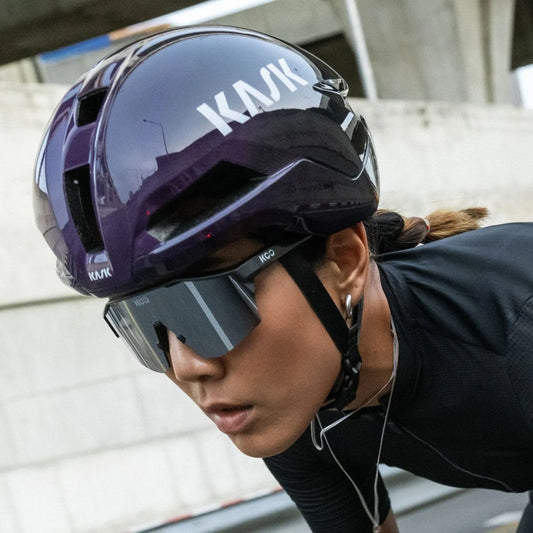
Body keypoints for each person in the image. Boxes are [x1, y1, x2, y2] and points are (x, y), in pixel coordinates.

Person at [33, 26, 532, 532]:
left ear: (345, 259)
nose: (187, 366)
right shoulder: (298, 398)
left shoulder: (519, 329)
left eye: (208, 305)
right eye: (143, 325)